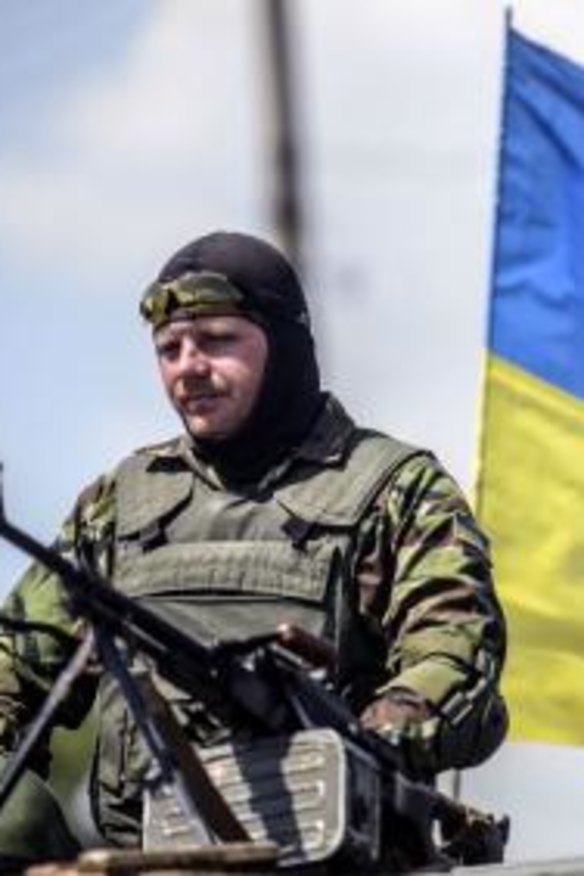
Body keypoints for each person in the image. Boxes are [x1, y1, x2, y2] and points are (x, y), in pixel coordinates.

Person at [0, 231, 507, 860]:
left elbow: (454, 656)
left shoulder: (393, 488)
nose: (188, 366)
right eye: (169, 348)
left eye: (216, 340)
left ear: (285, 343)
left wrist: (366, 742)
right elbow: (14, 663)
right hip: (148, 860)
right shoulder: (118, 504)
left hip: (326, 857)